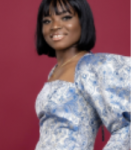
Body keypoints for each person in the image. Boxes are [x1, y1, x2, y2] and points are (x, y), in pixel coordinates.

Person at [34, 0, 131, 149]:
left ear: (83, 22)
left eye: (66, 17)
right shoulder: (54, 71)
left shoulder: (92, 66)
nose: (54, 26)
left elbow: (127, 126)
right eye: (47, 21)